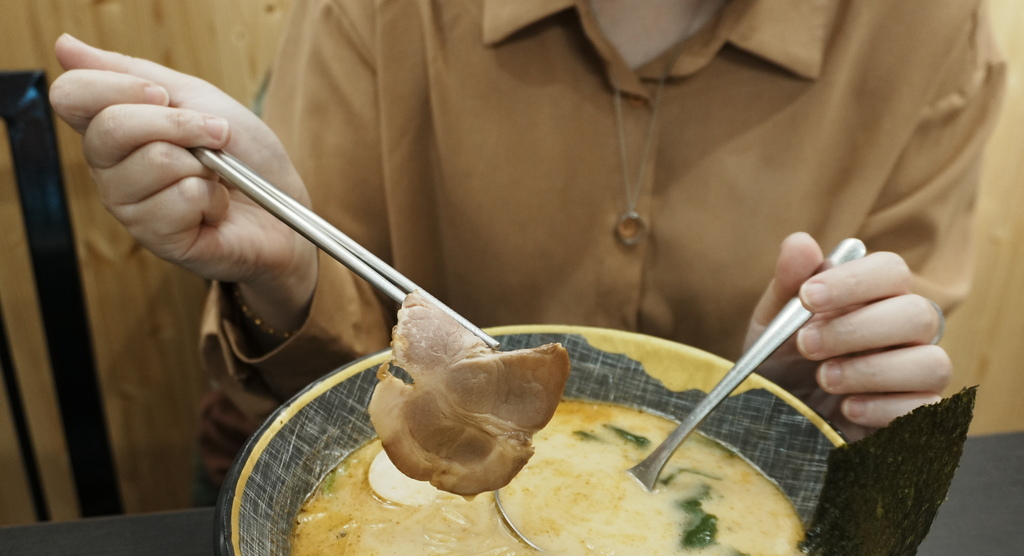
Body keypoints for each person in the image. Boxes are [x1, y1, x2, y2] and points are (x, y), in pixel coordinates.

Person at [48, 0, 1005, 466]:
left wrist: (821, 387)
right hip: (382, 485)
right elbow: (315, 376)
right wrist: (285, 270)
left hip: (716, 501)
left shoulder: (928, 31)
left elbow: (879, 359)